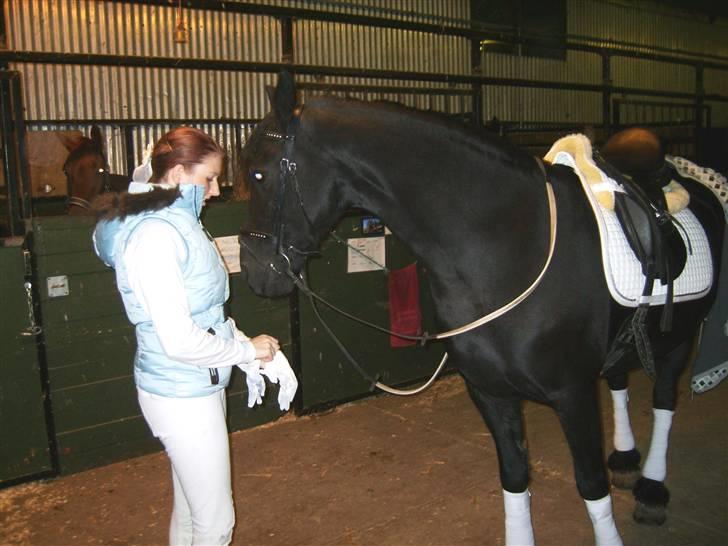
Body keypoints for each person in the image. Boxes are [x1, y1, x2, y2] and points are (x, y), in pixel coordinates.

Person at [91, 127, 297, 546]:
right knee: (216, 523)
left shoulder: (179, 224)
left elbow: (205, 315)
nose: (216, 190)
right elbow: (180, 340)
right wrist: (243, 349)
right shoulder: (156, 236)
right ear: (180, 174)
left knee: (191, 511)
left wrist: (248, 353)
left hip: (196, 384)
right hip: (181, 392)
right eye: (209, 178)